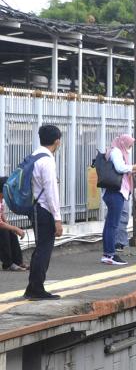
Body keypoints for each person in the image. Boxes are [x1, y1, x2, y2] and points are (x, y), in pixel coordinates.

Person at [25, 125, 62, 300]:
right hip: (44, 210)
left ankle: (32, 287)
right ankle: (36, 289)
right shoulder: (47, 161)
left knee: (40, 249)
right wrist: (57, 218)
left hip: (35, 208)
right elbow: (51, 191)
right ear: (57, 141)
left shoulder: (34, 155)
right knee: (43, 250)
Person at [102, 134, 136, 266]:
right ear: (123, 143)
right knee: (113, 224)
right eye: (129, 144)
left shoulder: (115, 151)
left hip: (113, 191)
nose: (130, 147)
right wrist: (133, 167)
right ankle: (110, 254)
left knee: (109, 224)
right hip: (115, 191)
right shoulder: (117, 152)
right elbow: (119, 168)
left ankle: (107, 253)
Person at [0, 177, 27, 272]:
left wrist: (11, 228)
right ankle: (7, 264)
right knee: (3, 232)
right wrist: (15, 228)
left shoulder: (1, 200)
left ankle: (17, 262)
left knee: (10, 232)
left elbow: (1, 214)